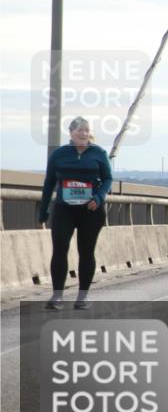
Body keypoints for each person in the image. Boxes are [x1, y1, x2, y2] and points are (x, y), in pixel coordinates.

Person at [38, 116, 112, 311]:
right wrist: (43, 209)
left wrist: (98, 198)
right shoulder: (59, 154)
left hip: (91, 211)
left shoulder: (99, 153)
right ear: (71, 133)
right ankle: (57, 297)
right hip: (64, 209)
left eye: (86, 131)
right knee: (60, 249)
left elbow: (108, 179)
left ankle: (82, 297)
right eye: (79, 131)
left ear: (90, 134)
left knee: (86, 252)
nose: (83, 134)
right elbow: (49, 183)